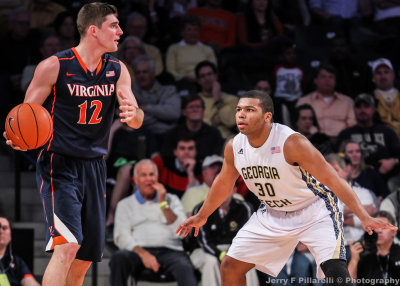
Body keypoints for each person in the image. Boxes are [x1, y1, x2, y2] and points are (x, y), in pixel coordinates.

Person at [177, 90, 397, 286]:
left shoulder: (292, 143)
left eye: (249, 110)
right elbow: (224, 182)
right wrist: (202, 215)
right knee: (231, 266)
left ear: (267, 117)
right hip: (272, 212)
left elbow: (335, 180)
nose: (241, 114)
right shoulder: (234, 146)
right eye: (238, 109)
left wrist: (364, 216)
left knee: (336, 274)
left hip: (315, 210)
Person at [4, 3, 144, 286]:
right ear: (94, 30)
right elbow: (24, 113)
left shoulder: (117, 69)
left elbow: (138, 118)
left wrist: (134, 115)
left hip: (94, 167)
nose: (121, 31)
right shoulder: (54, 66)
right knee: (66, 246)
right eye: (114, 26)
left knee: (82, 261)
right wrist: (17, 137)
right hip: (59, 164)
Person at [110, 159, 198, 286]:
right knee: (118, 258)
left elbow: (182, 232)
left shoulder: (171, 200)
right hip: (138, 251)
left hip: (171, 251)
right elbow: (121, 236)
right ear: (135, 180)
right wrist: (143, 254)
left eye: (152, 174)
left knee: (185, 266)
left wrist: (163, 204)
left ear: (157, 178)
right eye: (143, 175)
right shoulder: (125, 204)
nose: (149, 179)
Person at [189, 190, 258, 286]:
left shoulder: (244, 207)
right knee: (211, 261)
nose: (222, 192)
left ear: (234, 190)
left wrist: (234, 252)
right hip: (204, 250)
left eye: (227, 187)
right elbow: (203, 241)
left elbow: (249, 238)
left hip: (234, 249)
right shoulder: (201, 209)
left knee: (246, 261)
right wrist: (221, 254)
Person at [335, 93, 400, 193]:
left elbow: (398, 154)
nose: (362, 110)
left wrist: (393, 161)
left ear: (374, 109)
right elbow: (337, 156)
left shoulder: (387, 132)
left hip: (385, 177)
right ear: (354, 110)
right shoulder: (345, 134)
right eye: (358, 107)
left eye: (366, 106)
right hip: (354, 178)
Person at [296, 64, 356, 140]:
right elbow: (298, 126)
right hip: (311, 143)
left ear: (335, 81)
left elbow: (353, 126)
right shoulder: (304, 101)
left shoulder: (348, 102)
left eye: (331, 77)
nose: (327, 80)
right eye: (323, 76)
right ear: (315, 80)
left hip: (341, 143)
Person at [347, 211, 400, 283]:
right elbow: (347, 283)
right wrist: (354, 260)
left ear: (393, 232)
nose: (379, 231)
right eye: (376, 227)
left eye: (384, 227)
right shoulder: (362, 254)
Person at [0, 216, 40, 286]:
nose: (0, 231)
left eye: (4, 228)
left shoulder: (16, 261)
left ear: (10, 235)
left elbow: (28, 279)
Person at [370, 58, 400, 137]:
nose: (383, 76)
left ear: (393, 75)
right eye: (378, 73)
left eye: (386, 72)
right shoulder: (368, 99)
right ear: (373, 78)